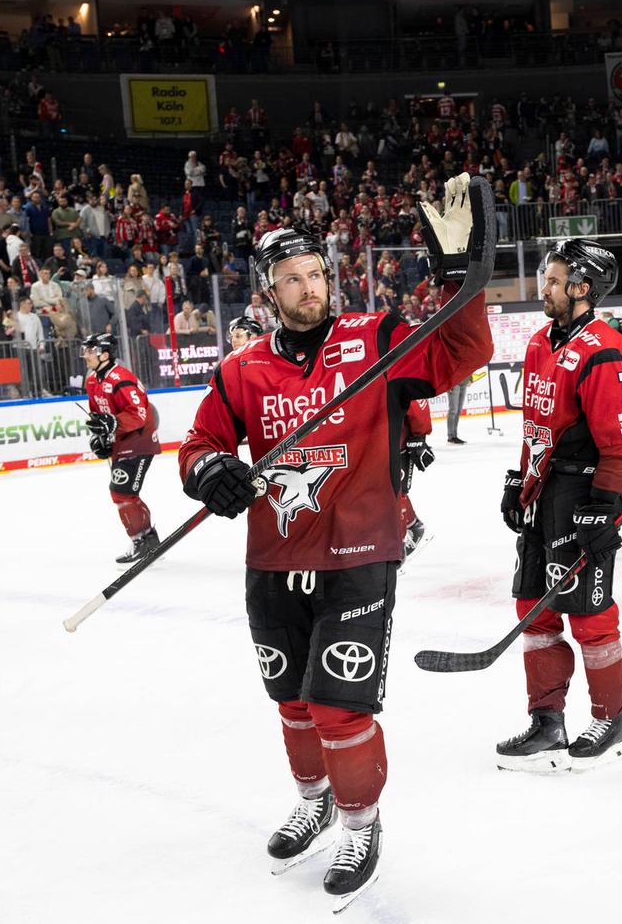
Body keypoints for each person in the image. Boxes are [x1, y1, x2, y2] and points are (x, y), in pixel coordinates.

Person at [177, 181, 491, 908]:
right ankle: (314, 799)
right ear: (268, 291)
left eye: (316, 273)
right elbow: (200, 444)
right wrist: (210, 472)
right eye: (292, 278)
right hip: (275, 560)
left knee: (339, 708)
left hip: (359, 553)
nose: (309, 286)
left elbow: (464, 348)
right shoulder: (241, 369)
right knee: (291, 701)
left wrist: (456, 275)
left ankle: (359, 822)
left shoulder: (375, 338)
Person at [495, 239, 622, 772]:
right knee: (532, 607)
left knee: (590, 615)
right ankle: (547, 721)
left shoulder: (603, 349)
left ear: (582, 289)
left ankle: (611, 718)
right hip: (545, 490)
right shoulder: (540, 343)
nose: (545, 288)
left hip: (585, 492)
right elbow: (536, 426)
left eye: (555, 280)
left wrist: (604, 505)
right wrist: (519, 478)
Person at [82, 331, 161, 564]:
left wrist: (114, 423)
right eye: (85, 350)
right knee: (125, 493)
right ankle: (148, 539)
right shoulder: (92, 380)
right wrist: (102, 438)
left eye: (91, 351)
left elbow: (139, 414)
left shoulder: (121, 379)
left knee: (121, 493)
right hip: (122, 442)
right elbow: (99, 417)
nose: (86, 355)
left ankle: (140, 540)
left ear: (105, 354)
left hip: (139, 441)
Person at [399, 400, 434, 559]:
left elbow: (417, 398)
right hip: (375, 439)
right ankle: (412, 526)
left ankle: (406, 534)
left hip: (398, 441)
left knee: (395, 491)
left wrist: (419, 435)